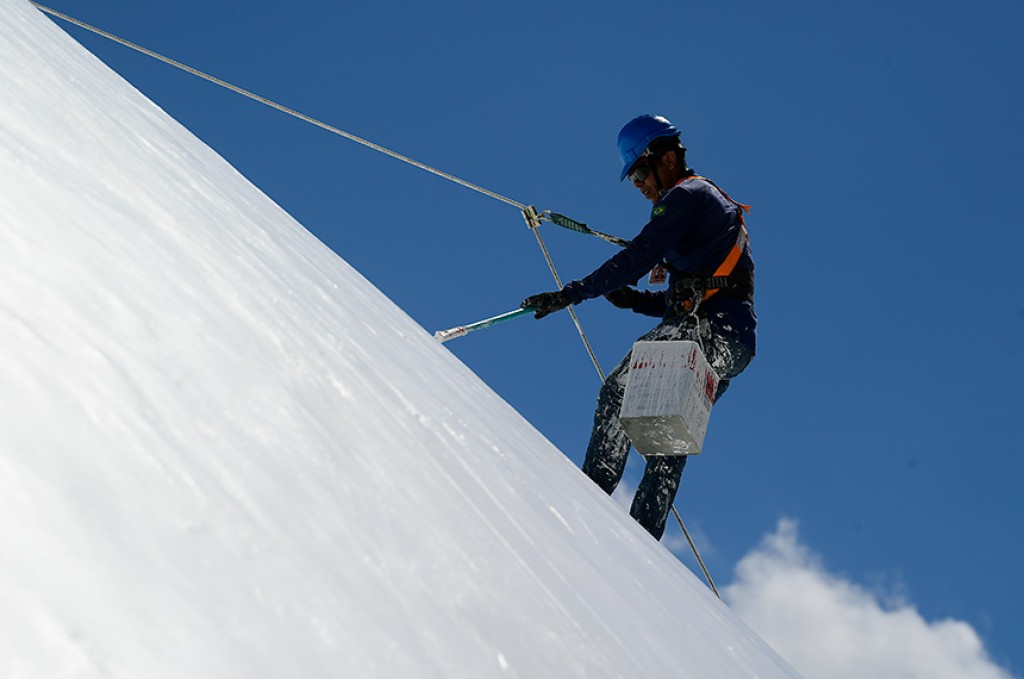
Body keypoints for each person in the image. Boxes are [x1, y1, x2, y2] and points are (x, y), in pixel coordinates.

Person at [521, 114, 757, 540]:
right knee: (666, 430)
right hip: (732, 342)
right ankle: (642, 543)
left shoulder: (685, 195)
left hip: (709, 330)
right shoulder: (704, 202)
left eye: (639, 174)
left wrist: (572, 293)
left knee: (620, 393)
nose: (638, 186)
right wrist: (634, 301)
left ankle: (589, 500)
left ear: (666, 159)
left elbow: (639, 256)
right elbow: (697, 295)